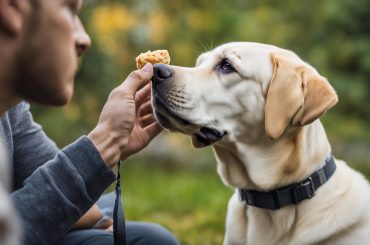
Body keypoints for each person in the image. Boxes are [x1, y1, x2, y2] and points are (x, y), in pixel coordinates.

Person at [0, 0, 179, 244]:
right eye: (70, 10)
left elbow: (49, 183)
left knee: (152, 238)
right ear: (10, 7)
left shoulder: (10, 111)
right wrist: (104, 143)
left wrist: (113, 147)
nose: (85, 39)